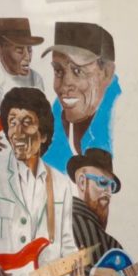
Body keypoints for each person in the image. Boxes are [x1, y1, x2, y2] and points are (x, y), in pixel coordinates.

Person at [0, 87, 86, 276]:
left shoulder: (60, 183)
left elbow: (67, 246)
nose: (16, 132)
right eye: (12, 122)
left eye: (26, 123)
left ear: (43, 135)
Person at [66, 148, 138, 276]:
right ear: (82, 182)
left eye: (112, 186)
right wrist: (92, 274)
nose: (108, 192)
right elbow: (51, 266)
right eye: (102, 182)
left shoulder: (113, 245)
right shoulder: (65, 224)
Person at [40, 22, 122, 173]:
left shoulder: (121, 117)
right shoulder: (53, 116)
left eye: (78, 71)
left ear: (107, 73)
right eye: (58, 71)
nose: (64, 85)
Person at [0, 18, 46, 158]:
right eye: (19, 50)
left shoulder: (36, 80)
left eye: (30, 50)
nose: (27, 57)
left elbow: (42, 123)